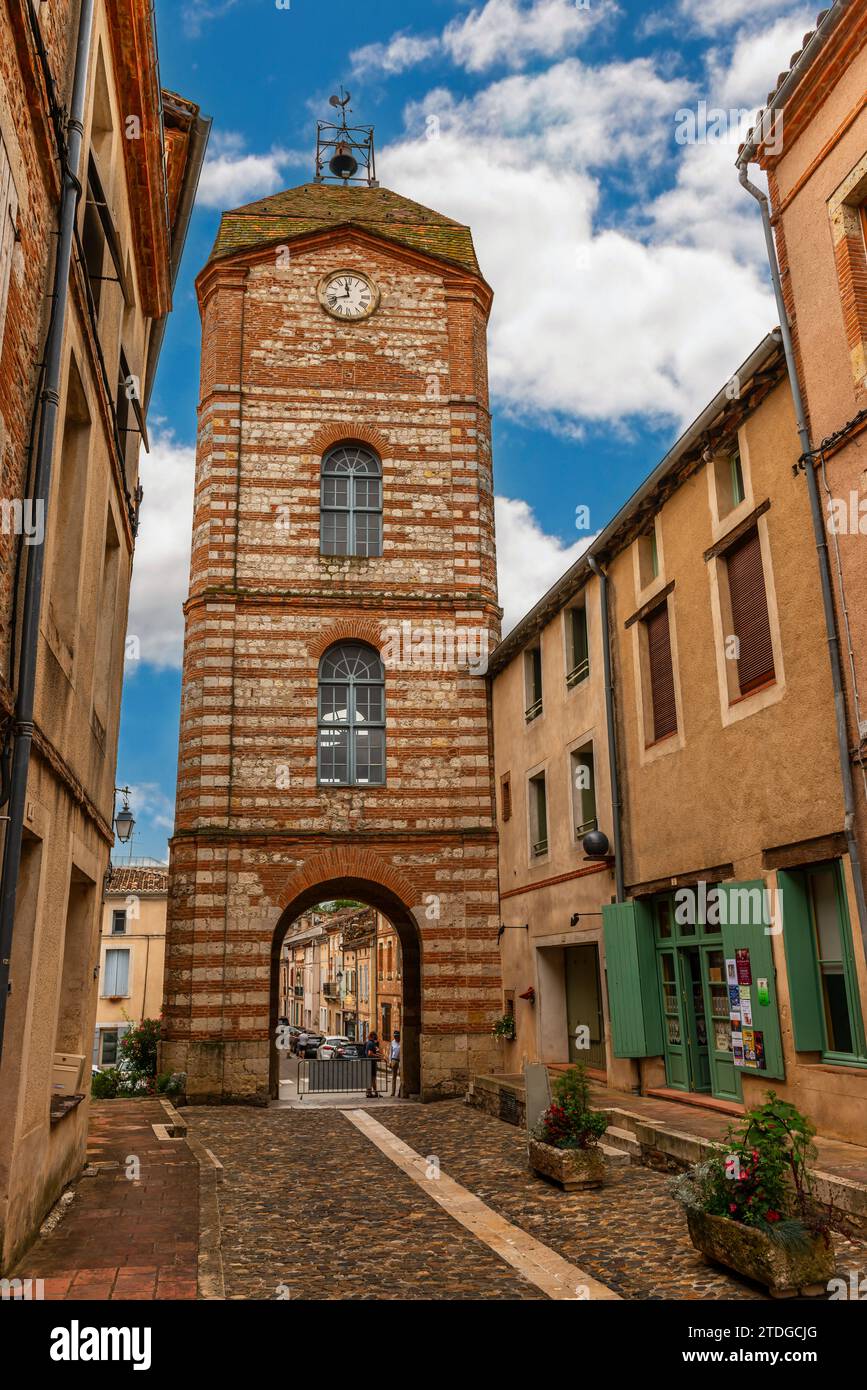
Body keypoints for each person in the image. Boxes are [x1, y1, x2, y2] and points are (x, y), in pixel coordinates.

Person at [364, 1031, 381, 1097]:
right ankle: (369, 1093)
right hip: (371, 1063)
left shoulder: (369, 1043)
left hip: (370, 1063)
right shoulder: (371, 1043)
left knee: (371, 1078)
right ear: (372, 1036)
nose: (376, 1037)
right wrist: (378, 1056)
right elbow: (370, 1053)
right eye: (375, 1036)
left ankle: (373, 1093)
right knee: (372, 1078)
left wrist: (378, 1054)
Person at [389, 1031, 401, 1097]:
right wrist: (390, 1061)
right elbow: (390, 1052)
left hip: (400, 1061)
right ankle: (393, 1092)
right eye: (395, 1036)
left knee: (401, 1076)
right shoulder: (392, 1042)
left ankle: (400, 1092)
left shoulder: (402, 1042)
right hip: (394, 1060)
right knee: (394, 1077)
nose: (396, 1037)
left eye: (397, 1036)